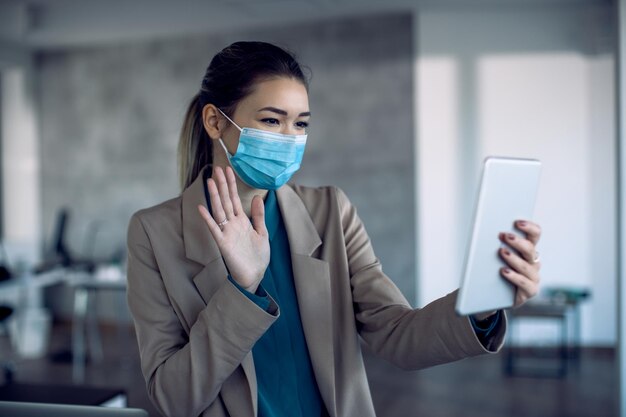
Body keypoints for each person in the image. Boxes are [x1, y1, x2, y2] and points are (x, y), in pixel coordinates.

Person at [126, 41, 542, 417]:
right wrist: (242, 290)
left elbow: (397, 333)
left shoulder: (331, 210)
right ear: (215, 122)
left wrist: (481, 303)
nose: (290, 138)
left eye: (301, 124)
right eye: (272, 121)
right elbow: (174, 397)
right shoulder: (153, 233)